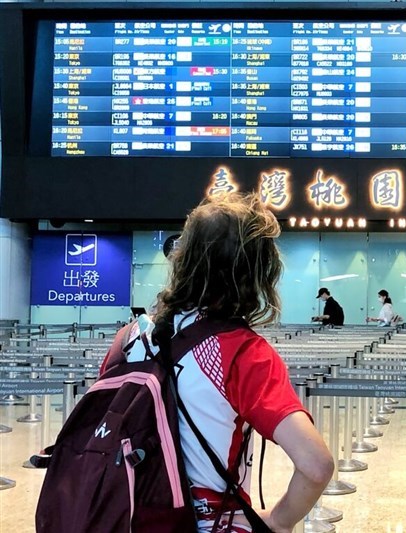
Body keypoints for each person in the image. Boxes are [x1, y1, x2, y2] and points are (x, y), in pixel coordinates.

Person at [103, 193, 333, 533]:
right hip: (211, 521)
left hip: (124, 516)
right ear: (257, 275)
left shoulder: (130, 337)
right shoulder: (243, 352)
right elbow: (316, 465)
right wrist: (280, 520)